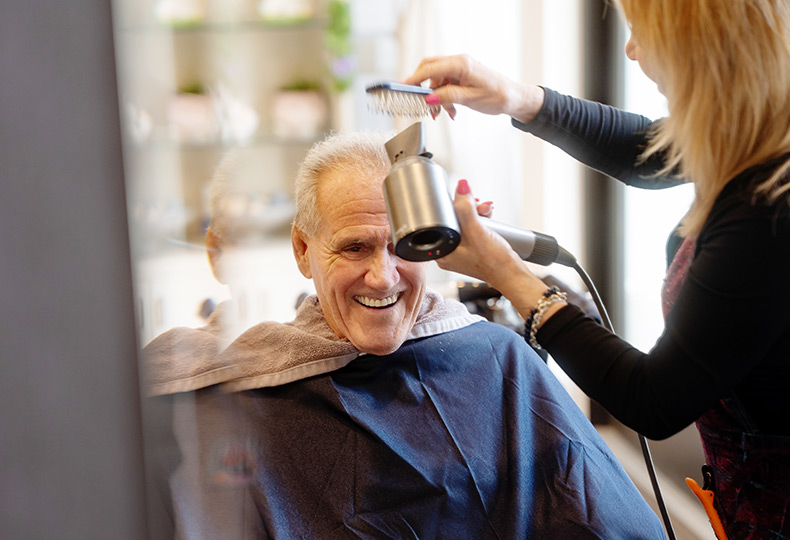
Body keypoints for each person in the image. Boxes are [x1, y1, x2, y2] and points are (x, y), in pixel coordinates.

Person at [144, 129, 668, 539]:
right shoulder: (230, 388)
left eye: (403, 246)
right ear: (303, 251)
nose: (383, 276)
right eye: (354, 248)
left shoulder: (496, 358)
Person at [403, 1, 790, 538]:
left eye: (641, 34)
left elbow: (654, 400)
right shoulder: (764, 123)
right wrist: (517, 98)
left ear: (702, 49)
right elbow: (649, 152)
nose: (630, 51)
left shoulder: (771, 207)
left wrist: (509, 274)